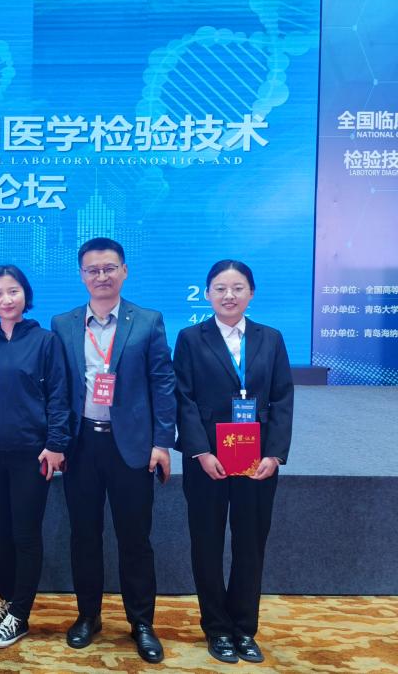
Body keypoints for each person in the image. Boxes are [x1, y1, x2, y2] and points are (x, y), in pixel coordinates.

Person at [50, 237, 175, 664]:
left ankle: (141, 623)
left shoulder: (148, 321)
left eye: (109, 268)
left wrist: (162, 443)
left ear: (124, 271)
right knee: (84, 536)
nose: (101, 276)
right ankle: (88, 617)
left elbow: (163, 384)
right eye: (92, 270)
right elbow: (59, 389)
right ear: (81, 275)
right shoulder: (63, 323)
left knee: (134, 539)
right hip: (82, 445)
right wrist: (57, 441)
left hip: (132, 446)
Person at [173, 260, 294, 664]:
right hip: (208, 461)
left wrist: (274, 454)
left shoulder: (270, 338)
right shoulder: (191, 338)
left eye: (238, 288)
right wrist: (200, 451)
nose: (229, 295)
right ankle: (217, 628)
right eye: (220, 288)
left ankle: (244, 628)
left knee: (250, 545)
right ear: (207, 293)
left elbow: (282, 398)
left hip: (256, 462)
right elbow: (183, 399)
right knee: (206, 544)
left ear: (251, 293)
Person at [0, 265, 70, 648]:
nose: (6, 299)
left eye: (13, 291)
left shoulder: (45, 341)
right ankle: (7, 602)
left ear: (25, 295)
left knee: (25, 534)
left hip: (31, 454)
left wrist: (56, 444)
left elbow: (59, 396)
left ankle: (20, 615)